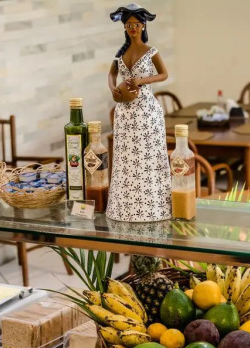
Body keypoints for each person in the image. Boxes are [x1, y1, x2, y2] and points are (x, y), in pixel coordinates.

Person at [105, 3, 171, 222]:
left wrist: (142, 81)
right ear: (124, 27)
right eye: (129, 24)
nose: (133, 28)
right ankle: (125, 209)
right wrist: (112, 88)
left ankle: (154, 208)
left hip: (146, 112)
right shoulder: (120, 53)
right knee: (126, 159)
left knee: (147, 158)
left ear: (143, 26)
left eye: (136, 24)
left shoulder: (151, 51)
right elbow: (111, 74)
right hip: (124, 113)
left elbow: (164, 74)